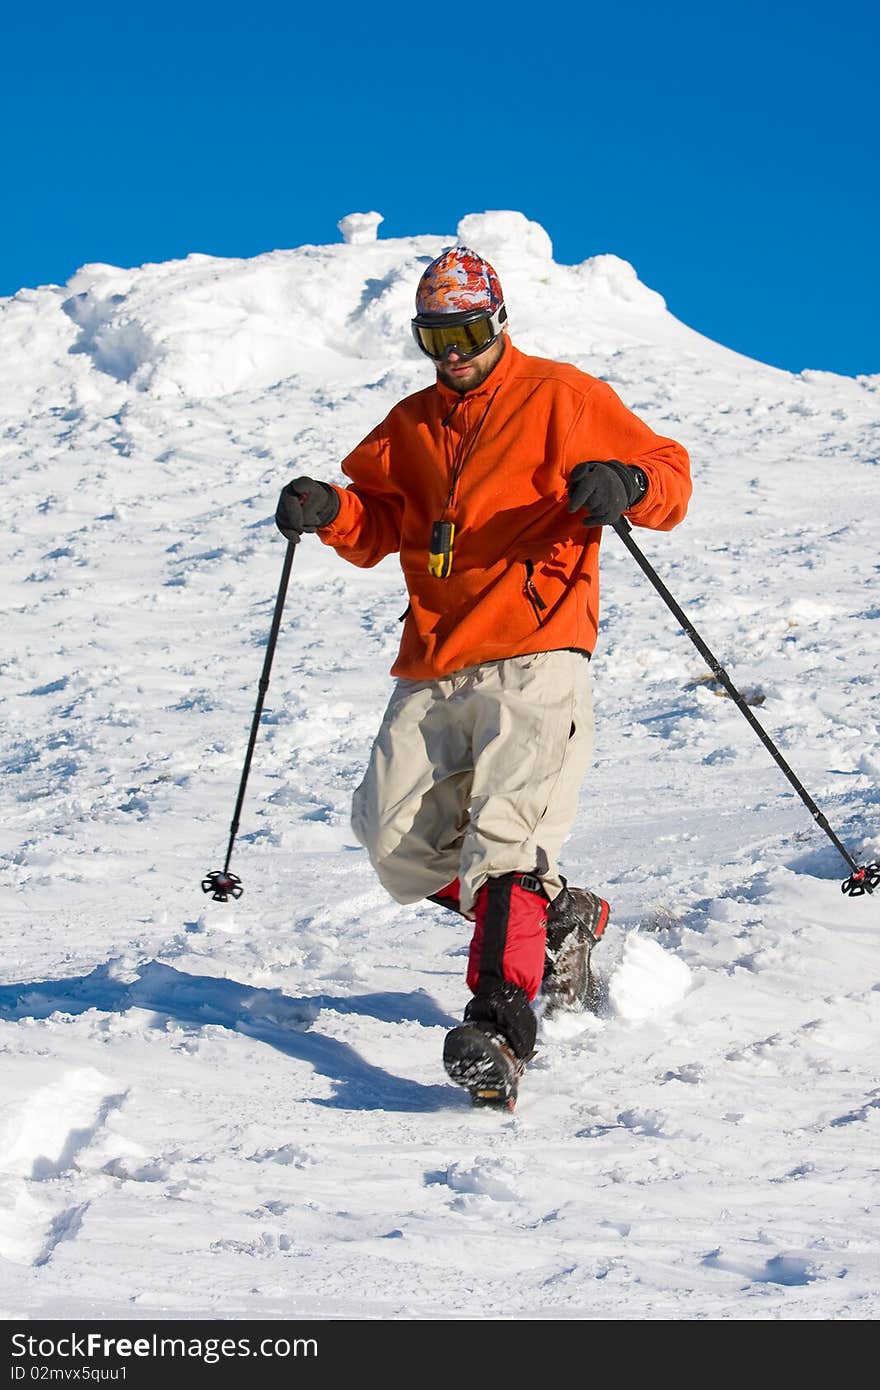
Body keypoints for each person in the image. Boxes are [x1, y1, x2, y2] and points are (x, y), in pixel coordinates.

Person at [276, 245, 691, 1108]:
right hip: (435, 654)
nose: (453, 351)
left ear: (499, 320)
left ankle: (500, 1024)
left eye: (466, 330)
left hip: (539, 648)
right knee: (392, 843)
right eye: (435, 336)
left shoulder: (562, 397)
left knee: (505, 841)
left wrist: (623, 479)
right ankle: (560, 919)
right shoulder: (411, 421)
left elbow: (670, 478)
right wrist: (329, 508)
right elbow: (379, 516)